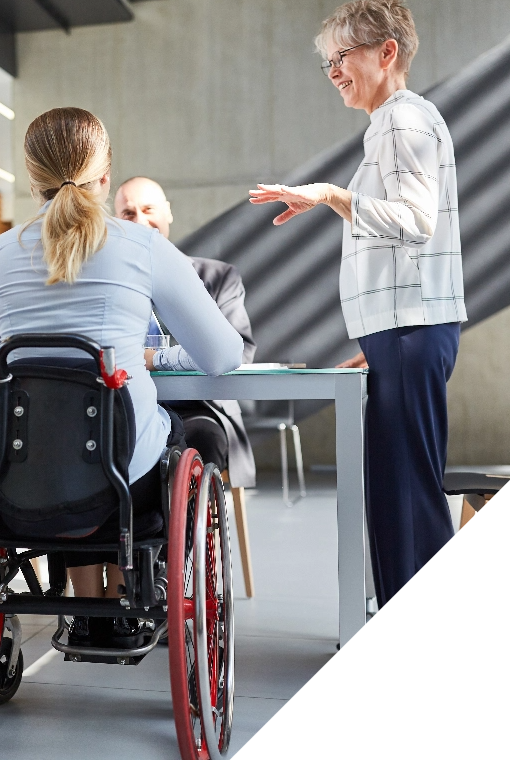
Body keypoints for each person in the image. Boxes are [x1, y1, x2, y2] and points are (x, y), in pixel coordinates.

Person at [248, 0, 465, 744]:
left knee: (409, 499)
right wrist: (374, 338)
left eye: (344, 55)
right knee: (395, 495)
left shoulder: (402, 119)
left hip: (411, 332)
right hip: (397, 333)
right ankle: (408, 647)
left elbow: (415, 219)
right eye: (327, 60)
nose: (333, 71)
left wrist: (332, 196)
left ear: (388, 51)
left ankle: (426, 657)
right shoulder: (392, 124)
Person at [0, 107, 243, 647]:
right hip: (122, 476)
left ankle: (88, 604)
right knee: (172, 438)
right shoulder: (143, 246)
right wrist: (148, 355)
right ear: (105, 174)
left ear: (31, 177)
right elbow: (224, 355)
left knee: (58, 437)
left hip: (21, 472)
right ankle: (135, 584)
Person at [114, 176, 257, 489]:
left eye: (148, 208)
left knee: (201, 438)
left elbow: (240, 351)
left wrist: (155, 359)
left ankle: (178, 536)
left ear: (168, 211)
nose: (140, 220)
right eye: (128, 213)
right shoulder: (112, 282)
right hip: (128, 404)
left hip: (198, 406)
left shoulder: (217, 277)